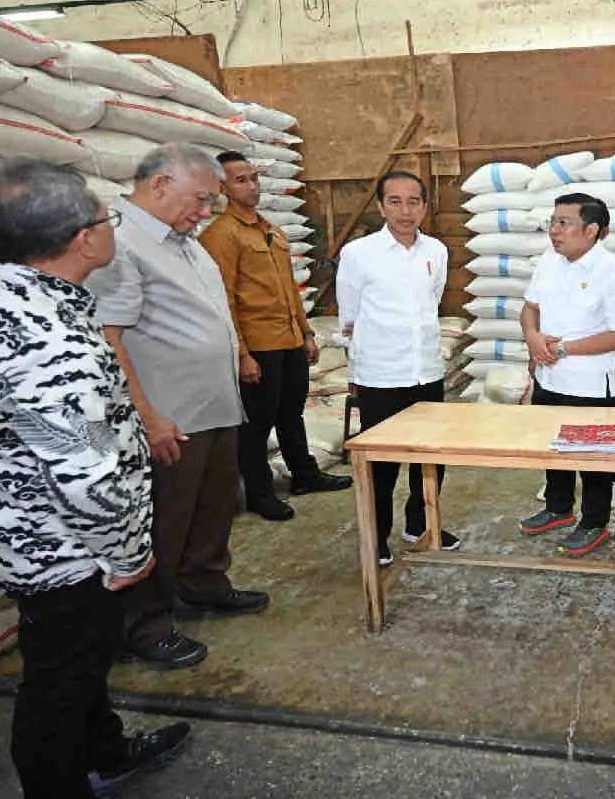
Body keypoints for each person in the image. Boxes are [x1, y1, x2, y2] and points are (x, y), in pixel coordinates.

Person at [0, 158, 189, 798]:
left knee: (79, 668)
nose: (112, 227)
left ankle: (104, 753)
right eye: (107, 218)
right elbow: (83, 468)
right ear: (84, 239)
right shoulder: (49, 337)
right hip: (72, 551)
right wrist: (129, 554)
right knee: (56, 686)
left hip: (39, 539)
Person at [85, 143, 269, 670]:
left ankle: (205, 582)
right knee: (162, 521)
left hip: (213, 405)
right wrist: (148, 417)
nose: (207, 210)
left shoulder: (184, 241)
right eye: (202, 198)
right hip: (170, 415)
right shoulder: (122, 243)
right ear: (161, 184)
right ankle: (145, 624)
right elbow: (109, 339)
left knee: (211, 509)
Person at [198, 151, 352, 522]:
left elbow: (290, 290)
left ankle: (304, 474)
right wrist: (242, 355)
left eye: (253, 178)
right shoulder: (220, 235)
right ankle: (259, 492)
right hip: (258, 344)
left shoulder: (271, 230)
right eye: (241, 180)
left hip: (288, 340)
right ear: (222, 187)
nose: (252, 186)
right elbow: (225, 301)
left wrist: (307, 333)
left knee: (291, 413)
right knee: (255, 424)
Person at [335, 170, 458, 568]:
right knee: (382, 464)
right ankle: (378, 536)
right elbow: (349, 316)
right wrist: (357, 366)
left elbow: (433, 301)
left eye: (414, 202)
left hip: (425, 370)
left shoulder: (436, 252)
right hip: (381, 375)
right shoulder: (359, 254)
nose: (405, 211)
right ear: (380, 205)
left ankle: (420, 523)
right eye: (395, 201)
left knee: (431, 458)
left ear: (425, 205)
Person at [518, 193, 615, 558]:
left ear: (591, 230)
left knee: (592, 458)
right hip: (549, 377)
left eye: (564, 223)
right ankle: (558, 509)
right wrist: (533, 338)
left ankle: (593, 523)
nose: (554, 231)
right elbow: (529, 308)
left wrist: (563, 349)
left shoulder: (614, 273)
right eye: (553, 222)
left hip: (589, 385)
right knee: (553, 448)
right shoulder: (549, 261)